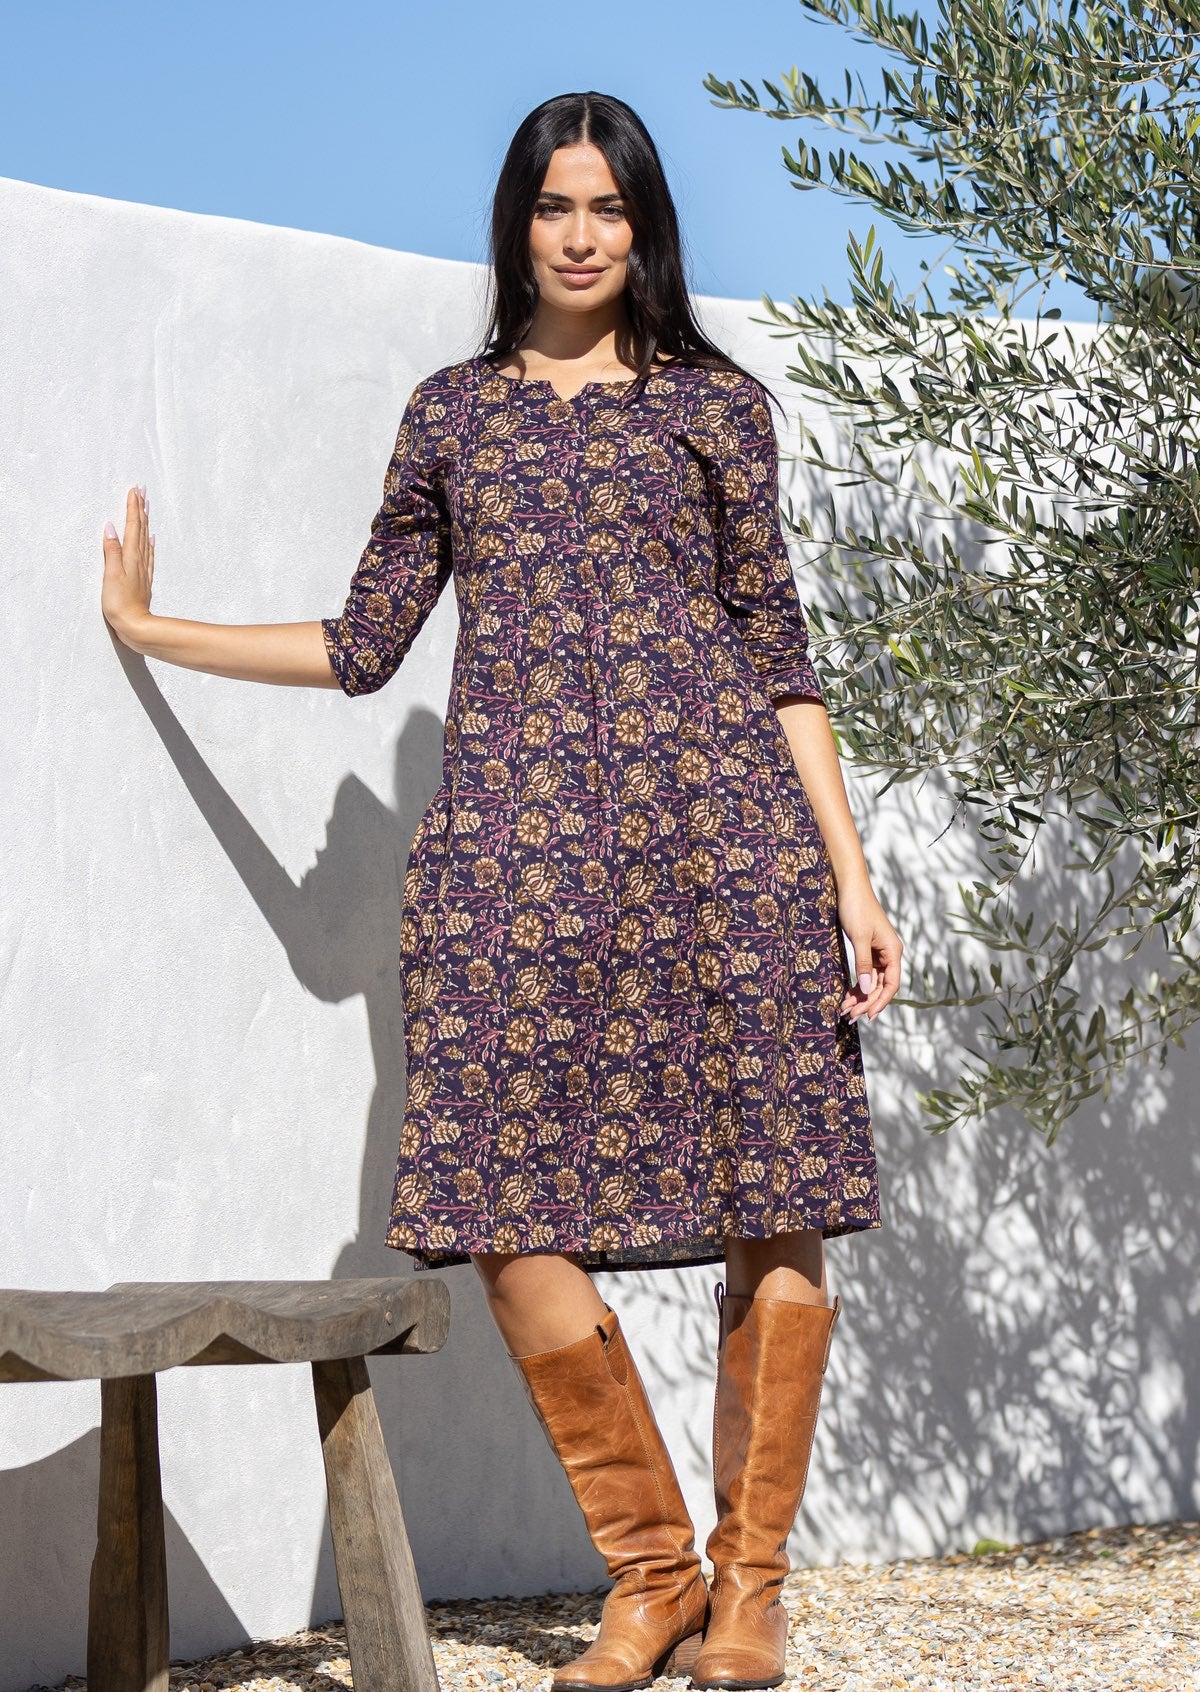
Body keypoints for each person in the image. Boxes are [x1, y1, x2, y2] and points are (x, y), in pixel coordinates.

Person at [101, 90, 902, 1692]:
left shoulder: (717, 409)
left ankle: (750, 1591)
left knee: (780, 1196)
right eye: (554, 206)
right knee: (503, 1209)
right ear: (517, 223)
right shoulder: (452, 415)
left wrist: (851, 877)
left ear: (645, 224)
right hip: (514, 867)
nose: (584, 233)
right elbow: (360, 646)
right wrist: (154, 633)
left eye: (609, 207)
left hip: (727, 847)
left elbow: (783, 661)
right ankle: (652, 1572)